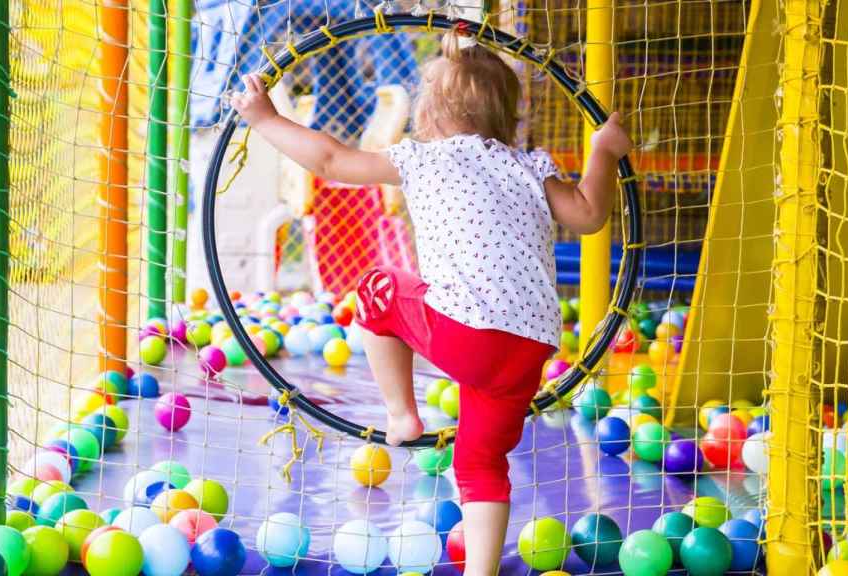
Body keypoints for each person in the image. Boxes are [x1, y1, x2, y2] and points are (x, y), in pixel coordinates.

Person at [231, 30, 632, 576]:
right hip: (529, 348)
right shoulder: (531, 166)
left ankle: (401, 414)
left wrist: (265, 119)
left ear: (433, 113)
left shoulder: (423, 158)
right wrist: (603, 151)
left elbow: (329, 160)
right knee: (481, 463)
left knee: (376, 286)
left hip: (467, 332)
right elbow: (589, 216)